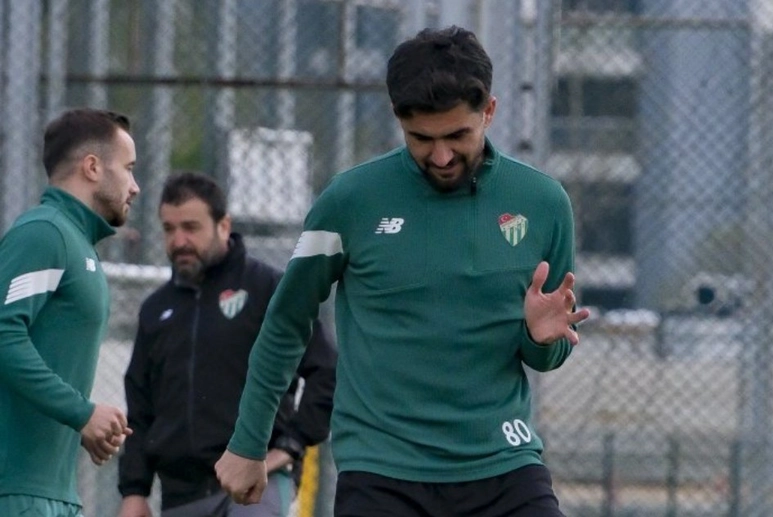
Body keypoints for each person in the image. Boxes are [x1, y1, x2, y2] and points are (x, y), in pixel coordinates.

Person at [216, 26, 590, 516]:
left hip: (503, 460)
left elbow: (549, 354)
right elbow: (286, 321)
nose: (441, 156)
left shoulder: (543, 203)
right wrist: (248, 443)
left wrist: (541, 340)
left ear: (489, 112)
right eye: (422, 139)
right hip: (382, 471)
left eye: (457, 135)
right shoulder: (350, 200)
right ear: (398, 118)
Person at [117, 171, 337, 517]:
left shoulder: (268, 288)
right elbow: (139, 405)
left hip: (256, 482)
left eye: (191, 227)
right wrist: (134, 491)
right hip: (179, 494)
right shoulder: (155, 310)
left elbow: (327, 370)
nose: (179, 241)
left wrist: (291, 444)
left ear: (224, 225)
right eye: (169, 229)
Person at [0, 108, 140, 517]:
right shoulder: (45, 233)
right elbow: (4, 333)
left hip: (52, 493)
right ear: (92, 167)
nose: (135, 186)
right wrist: (82, 413)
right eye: (129, 169)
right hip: (18, 492)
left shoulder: (76, 244)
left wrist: (82, 422)